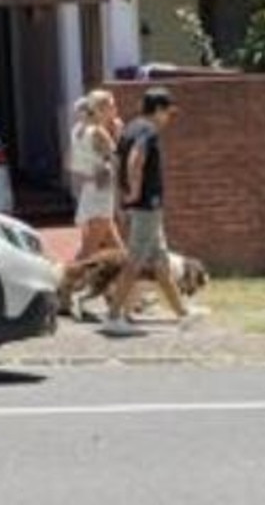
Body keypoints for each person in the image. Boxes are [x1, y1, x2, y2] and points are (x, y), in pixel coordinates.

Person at [102, 87, 206, 336]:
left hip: (143, 207)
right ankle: (114, 316)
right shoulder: (148, 130)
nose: (169, 118)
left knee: (160, 262)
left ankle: (183, 314)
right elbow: (135, 160)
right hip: (147, 205)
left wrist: (121, 200)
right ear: (158, 110)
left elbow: (114, 163)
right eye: (168, 112)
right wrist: (136, 191)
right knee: (135, 260)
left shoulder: (129, 128)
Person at [73, 90, 125, 263]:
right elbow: (117, 159)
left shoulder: (78, 129)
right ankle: (65, 280)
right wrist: (117, 134)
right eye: (112, 105)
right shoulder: (98, 132)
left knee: (115, 247)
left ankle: (130, 283)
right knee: (88, 250)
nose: (115, 109)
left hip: (90, 188)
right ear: (102, 109)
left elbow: (69, 162)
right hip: (101, 191)